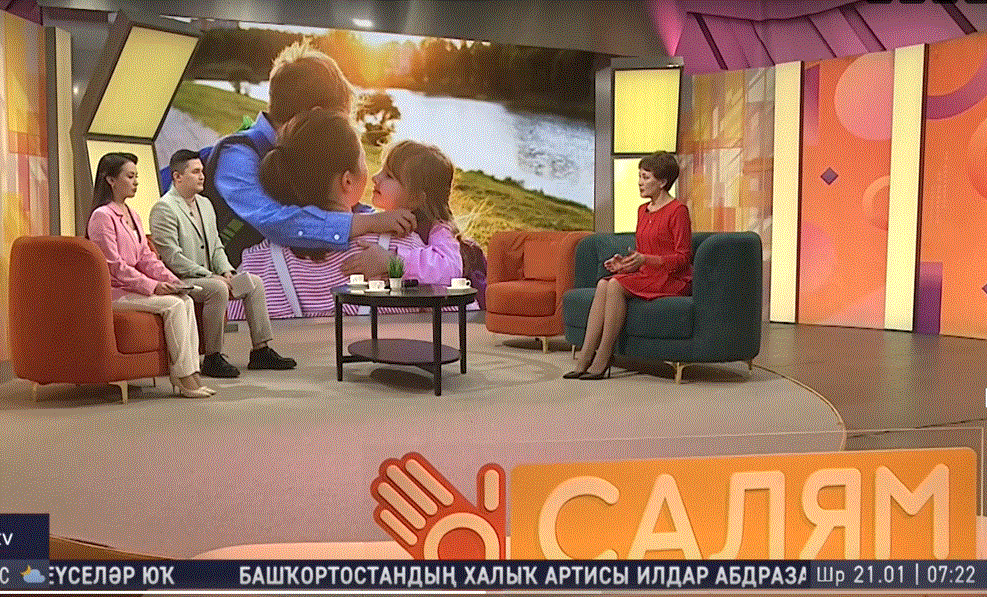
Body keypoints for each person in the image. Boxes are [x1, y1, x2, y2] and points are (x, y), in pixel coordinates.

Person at [230, 110, 466, 319]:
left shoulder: (253, 265)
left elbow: (231, 333)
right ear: (348, 181)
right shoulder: (401, 248)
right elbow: (452, 318)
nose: (375, 176)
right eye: (364, 161)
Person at [209, 38, 415, 267]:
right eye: (338, 123)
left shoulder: (307, 151)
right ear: (316, 114)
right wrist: (367, 223)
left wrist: (388, 219)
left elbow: (332, 201)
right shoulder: (237, 155)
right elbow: (275, 222)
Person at [149, 149, 297, 378]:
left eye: (202, 171)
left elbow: (217, 245)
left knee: (254, 283)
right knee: (217, 289)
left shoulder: (205, 204)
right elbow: (172, 258)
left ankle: (261, 350)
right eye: (195, 172)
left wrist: (226, 270)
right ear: (177, 177)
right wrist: (210, 276)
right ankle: (213, 356)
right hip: (182, 279)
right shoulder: (164, 208)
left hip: (211, 275)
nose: (202, 176)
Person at [86, 152, 214, 398]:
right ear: (111, 180)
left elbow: (147, 258)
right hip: (115, 292)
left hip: (133, 288)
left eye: (136, 176)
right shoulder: (102, 216)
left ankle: (191, 373)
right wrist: (153, 286)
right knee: (173, 306)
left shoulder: (133, 214)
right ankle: (182, 376)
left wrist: (172, 281)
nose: (136, 182)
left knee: (185, 300)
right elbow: (115, 266)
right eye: (130, 176)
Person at [565, 151, 692, 380]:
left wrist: (645, 260)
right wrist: (624, 264)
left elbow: (683, 258)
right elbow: (642, 253)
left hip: (672, 279)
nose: (640, 183)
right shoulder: (642, 211)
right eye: (640, 176)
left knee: (614, 285)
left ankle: (604, 356)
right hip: (648, 275)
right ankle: (585, 356)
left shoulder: (678, 211)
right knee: (604, 283)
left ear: (662, 182)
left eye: (646, 177)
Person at [343, 139, 484, 291]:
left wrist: (392, 262)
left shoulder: (437, 230)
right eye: (381, 170)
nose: (375, 178)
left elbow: (450, 269)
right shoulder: (380, 218)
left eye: (389, 176)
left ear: (415, 198)